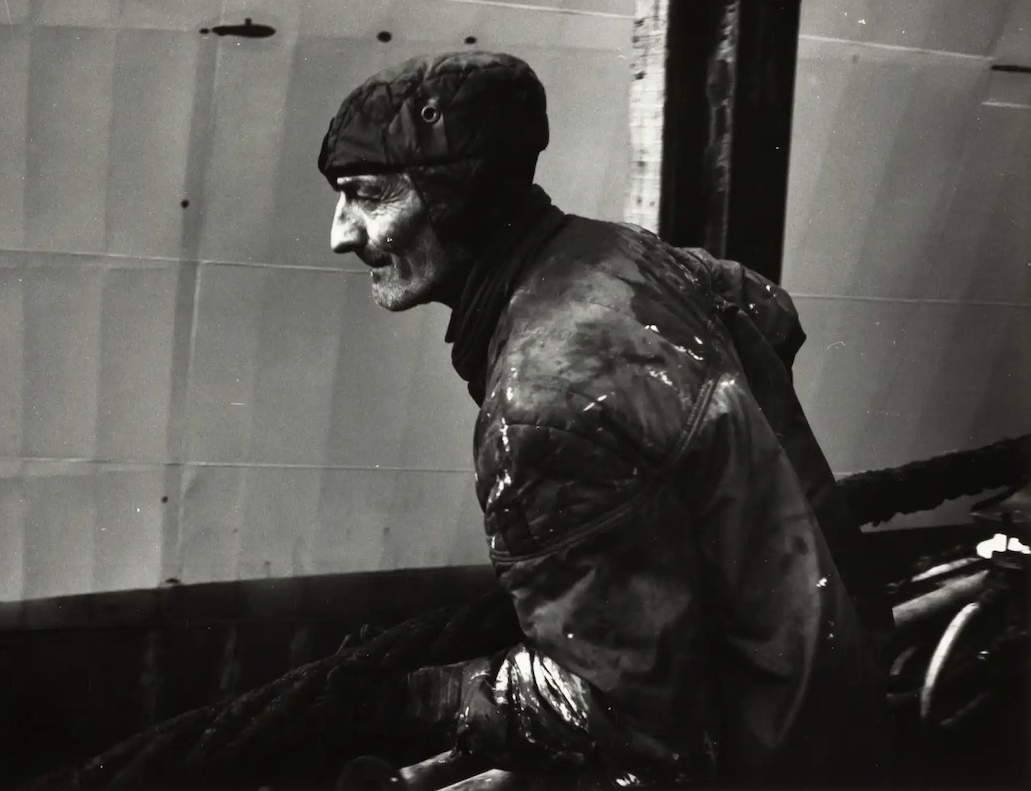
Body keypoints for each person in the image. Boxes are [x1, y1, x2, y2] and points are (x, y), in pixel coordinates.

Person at [319, 50, 894, 788]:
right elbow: (764, 308)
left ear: (455, 195)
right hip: (830, 697)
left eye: (366, 195)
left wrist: (415, 695)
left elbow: (621, 710)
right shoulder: (629, 256)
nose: (342, 232)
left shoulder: (539, 409)